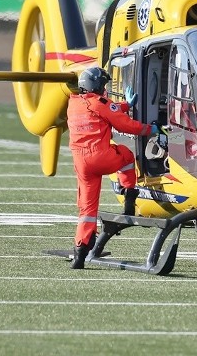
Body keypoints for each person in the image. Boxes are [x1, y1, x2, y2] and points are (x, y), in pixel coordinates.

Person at [67, 66, 160, 269]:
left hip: (81, 163)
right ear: (97, 86)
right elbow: (124, 125)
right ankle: (129, 196)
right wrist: (150, 129)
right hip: (99, 157)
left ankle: (79, 253)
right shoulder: (99, 102)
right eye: (103, 85)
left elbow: (105, 109)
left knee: (87, 210)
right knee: (126, 154)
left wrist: (125, 105)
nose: (105, 89)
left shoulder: (74, 104)